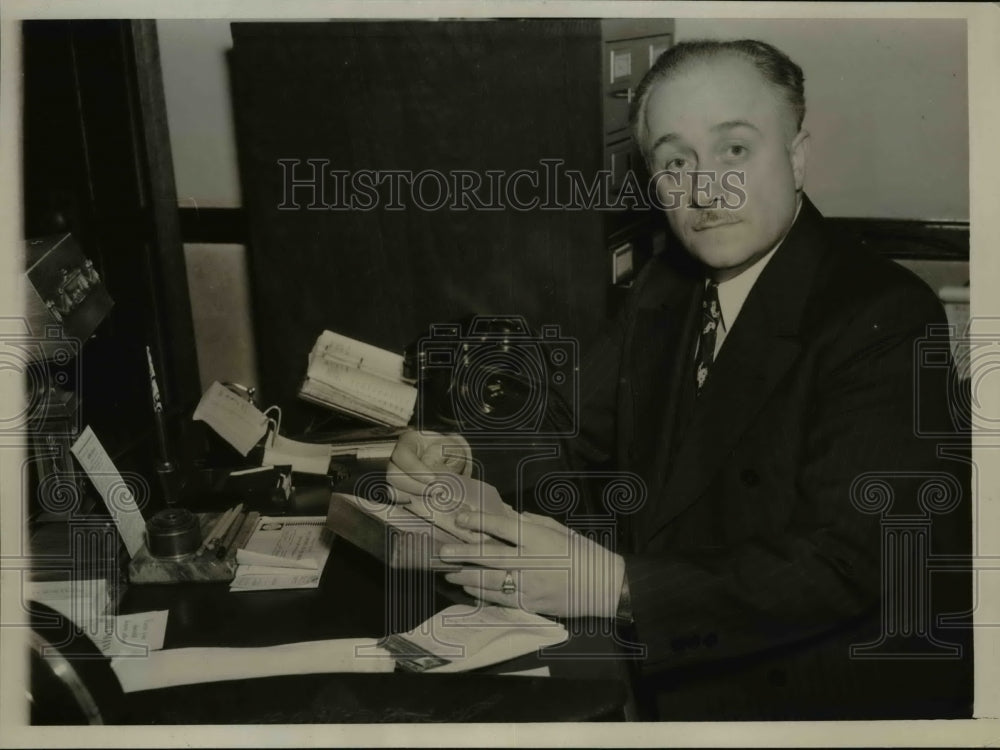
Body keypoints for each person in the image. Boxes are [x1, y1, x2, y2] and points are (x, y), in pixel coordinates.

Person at [388, 39, 972, 720]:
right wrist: (461, 456)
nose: (704, 188)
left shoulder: (884, 314)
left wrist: (615, 585)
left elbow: (846, 564)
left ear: (798, 154)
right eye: (675, 161)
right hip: (677, 672)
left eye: (734, 151)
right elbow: (572, 432)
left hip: (823, 698)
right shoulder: (667, 287)